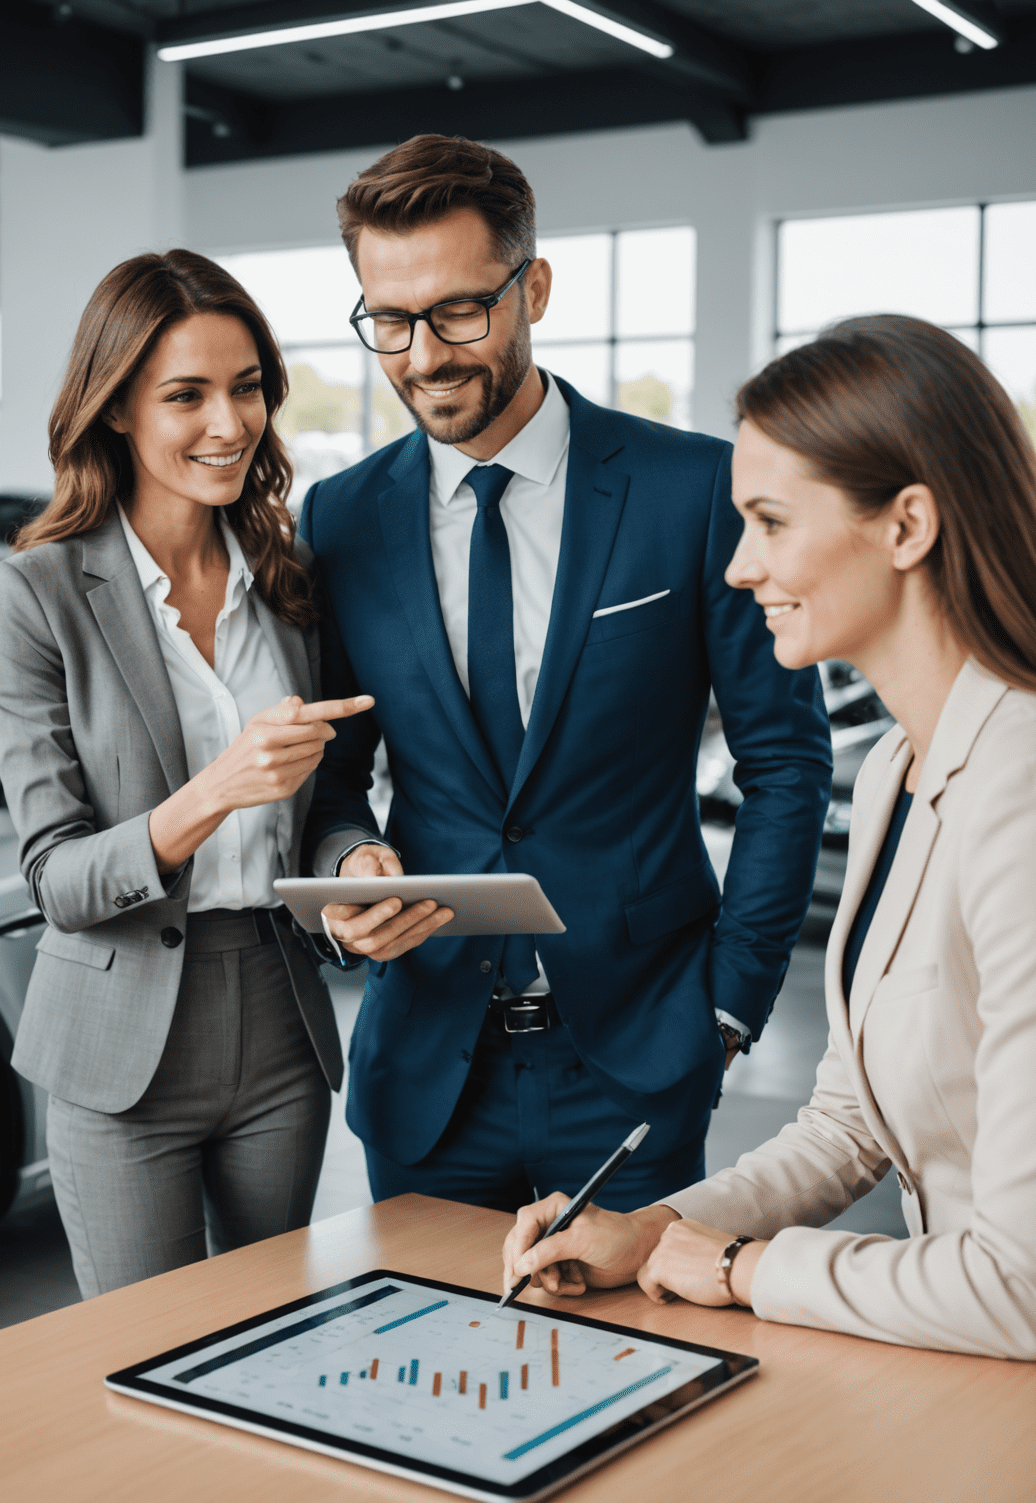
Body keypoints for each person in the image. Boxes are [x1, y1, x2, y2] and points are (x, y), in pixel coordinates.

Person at [499, 315, 1036, 1376]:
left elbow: (1029, 1291)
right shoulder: (895, 772)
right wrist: (650, 1230)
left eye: (770, 523)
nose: (736, 569)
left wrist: (739, 1268)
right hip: (969, 1339)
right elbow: (850, 1120)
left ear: (907, 524)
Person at [300, 135, 834, 1212]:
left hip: (638, 1055)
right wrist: (348, 863)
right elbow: (333, 770)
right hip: (424, 1067)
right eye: (389, 321)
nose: (423, 356)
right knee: (427, 1375)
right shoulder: (341, 517)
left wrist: (729, 1004)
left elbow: (785, 760)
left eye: (459, 311)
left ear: (532, 285)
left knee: (639, 1373)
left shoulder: (690, 488)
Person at [0, 251, 373, 1298]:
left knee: (263, 1342)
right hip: (122, 1041)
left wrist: (357, 860)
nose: (229, 423)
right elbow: (57, 881)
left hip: (280, 1016)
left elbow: (325, 798)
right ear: (115, 410)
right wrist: (214, 793)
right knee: (142, 1357)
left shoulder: (288, 580)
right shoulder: (36, 595)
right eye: (187, 395)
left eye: (247, 387)